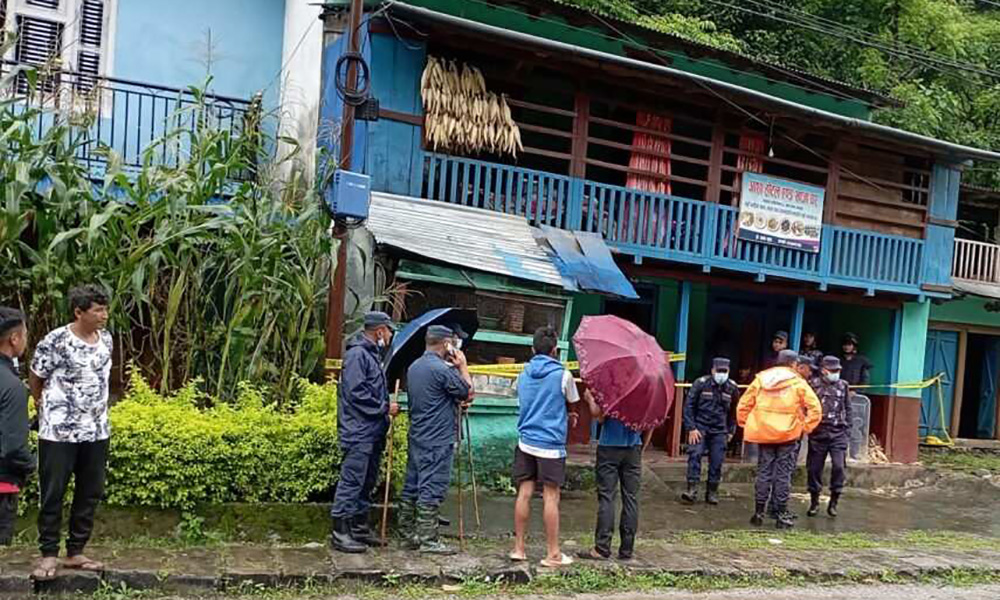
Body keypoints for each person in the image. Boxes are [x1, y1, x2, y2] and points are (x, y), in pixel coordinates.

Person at [29, 285, 113, 579]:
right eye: (97, 310)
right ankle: (48, 554)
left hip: (96, 430)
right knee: (53, 492)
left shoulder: (106, 339)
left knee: (90, 491)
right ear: (79, 312)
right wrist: (43, 405)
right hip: (59, 432)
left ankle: (76, 551)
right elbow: (36, 375)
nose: (104, 315)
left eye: (105, 309)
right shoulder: (56, 341)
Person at [398, 325, 471, 555]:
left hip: (418, 434)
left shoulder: (414, 367)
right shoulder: (441, 370)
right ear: (446, 344)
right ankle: (428, 539)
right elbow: (466, 391)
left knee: (412, 484)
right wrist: (462, 366)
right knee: (432, 486)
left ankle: (406, 534)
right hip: (438, 437)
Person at [510, 326, 579, 568]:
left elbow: (520, 399)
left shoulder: (523, 374)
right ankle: (553, 553)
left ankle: (519, 549)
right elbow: (572, 401)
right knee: (551, 496)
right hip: (550, 445)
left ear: (532, 349)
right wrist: (570, 414)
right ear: (555, 350)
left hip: (526, 442)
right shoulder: (563, 375)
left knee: (524, 492)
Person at [330, 311, 398, 554]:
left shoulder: (372, 355)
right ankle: (340, 533)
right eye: (388, 331)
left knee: (367, 481)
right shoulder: (358, 355)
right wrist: (383, 408)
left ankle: (358, 527)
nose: (390, 336)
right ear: (379, 331)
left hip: (372, 432)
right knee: (352, 481)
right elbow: (356, 393)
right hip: (358, 431)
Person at [737, 349, 822, 529]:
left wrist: (748, 424)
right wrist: (805, 427)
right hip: (788, 434)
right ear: (794, 364)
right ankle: (781, 514)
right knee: (783, 474)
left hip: (764, 432)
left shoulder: (761, 379)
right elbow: (815, 409)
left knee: (764, 472)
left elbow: (743, 405)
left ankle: (758, 512)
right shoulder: (798, 382)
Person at [579, 389, 642, 562]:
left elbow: (598, 415)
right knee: (631, 498)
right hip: (634, 446)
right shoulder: (643, 390)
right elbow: (650, 422)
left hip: (609, 444)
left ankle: (602, 547)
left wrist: (590, 398)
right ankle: (627, 549)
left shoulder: (613, 386)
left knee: (607, 497)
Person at [681, 358, 740, 506]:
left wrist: (731, 431)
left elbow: (734, 411)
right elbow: (689, 406)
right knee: (695, 455)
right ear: (713, 370)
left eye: (724, 371)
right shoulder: (701, 383)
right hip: (700, 427)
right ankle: (692, 490)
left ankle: (712, 492)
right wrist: (691, 428)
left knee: (717, 460)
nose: (721, 374)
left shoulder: (732, 387)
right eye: (719, 371)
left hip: (720, 430)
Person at [0, 307, 36, 546]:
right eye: (24, 334)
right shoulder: (12, 386)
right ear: (14, 339)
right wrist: (31, 464)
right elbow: (13, 447)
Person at [807, 356, 853, 518]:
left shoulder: (843, 385)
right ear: (823, 370)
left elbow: (848, 408)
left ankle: (834, 501)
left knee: (839, 467)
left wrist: (848, 430)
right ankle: (814, 501)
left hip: (838, 432)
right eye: (832, 370)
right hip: (818, 433)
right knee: (814, 469)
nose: (835, 373)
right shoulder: (813, 384)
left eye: (837, 370)